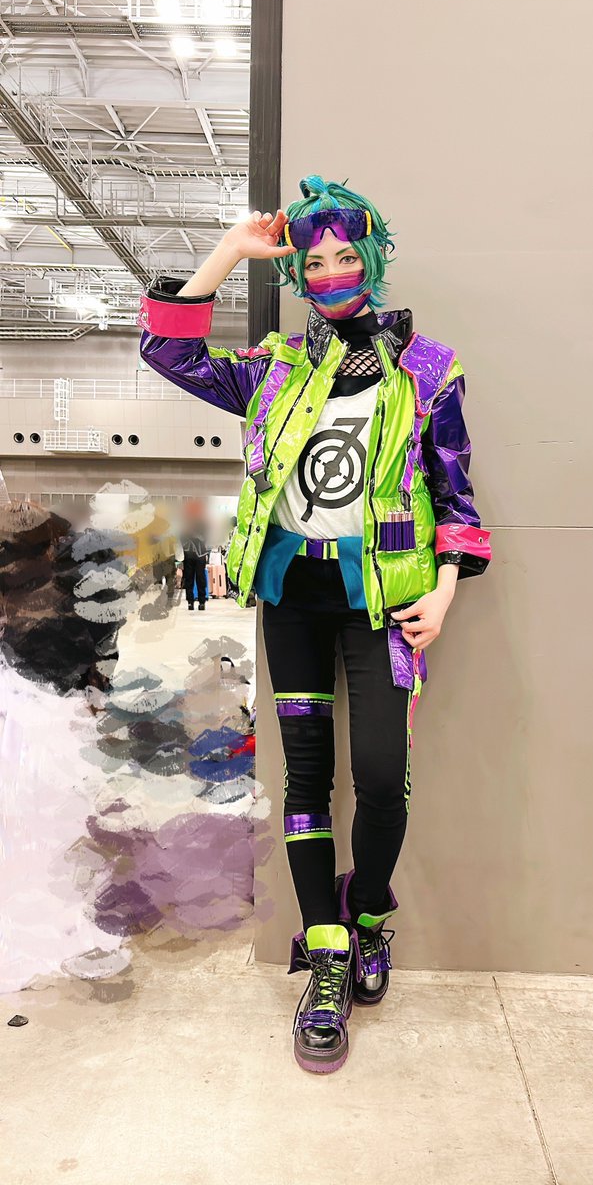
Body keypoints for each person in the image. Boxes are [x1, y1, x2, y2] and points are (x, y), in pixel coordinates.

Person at [137, 174, 492, 1074]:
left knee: (379, 777)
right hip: (291, 594)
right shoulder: (275, 367)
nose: (332, 274)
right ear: (298, 274)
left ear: (371, 258)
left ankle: (367, 915)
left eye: (345, 257)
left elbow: (454, 495)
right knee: (304, 777)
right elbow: (168, 351)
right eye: (315, 262)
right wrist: (231, 251)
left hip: (386, 602)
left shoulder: (429, 370)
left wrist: (445, 590)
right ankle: (325, 952)